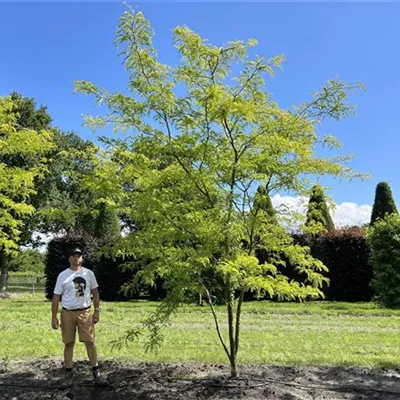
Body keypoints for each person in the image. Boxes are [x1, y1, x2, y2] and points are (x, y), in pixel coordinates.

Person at [51, 247, 106, 385]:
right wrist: (54, 316)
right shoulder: (63, 275)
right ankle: (68, 373)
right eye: (74, 256)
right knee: (69, 343)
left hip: (85, 312)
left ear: (82, 258)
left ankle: (96, 372)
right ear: (69, 258)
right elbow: (56, 296)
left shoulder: (89, 274)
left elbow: (95, 292)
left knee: (90, 341)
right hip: (67, 313)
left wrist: (97, 310)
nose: (76, 258)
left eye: (79, 256)